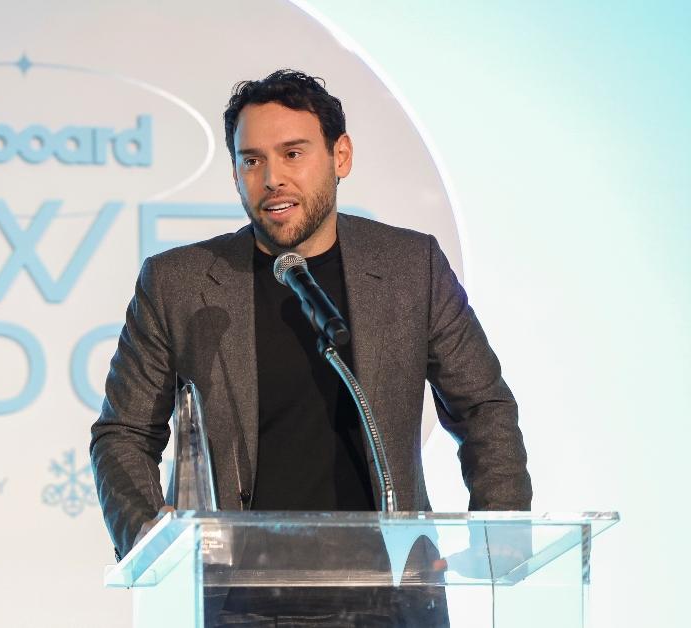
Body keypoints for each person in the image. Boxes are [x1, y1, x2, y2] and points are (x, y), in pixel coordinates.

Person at [89, 69, 532, 625]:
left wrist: (503, 529)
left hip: (389, 598)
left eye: (293, 153)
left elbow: (482, 406)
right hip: (236, 605)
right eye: (251, 161)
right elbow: (123, 433)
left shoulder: (409, 267)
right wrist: (155, 545)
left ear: (339, 156)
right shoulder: (179, 282)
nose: (272, 178)